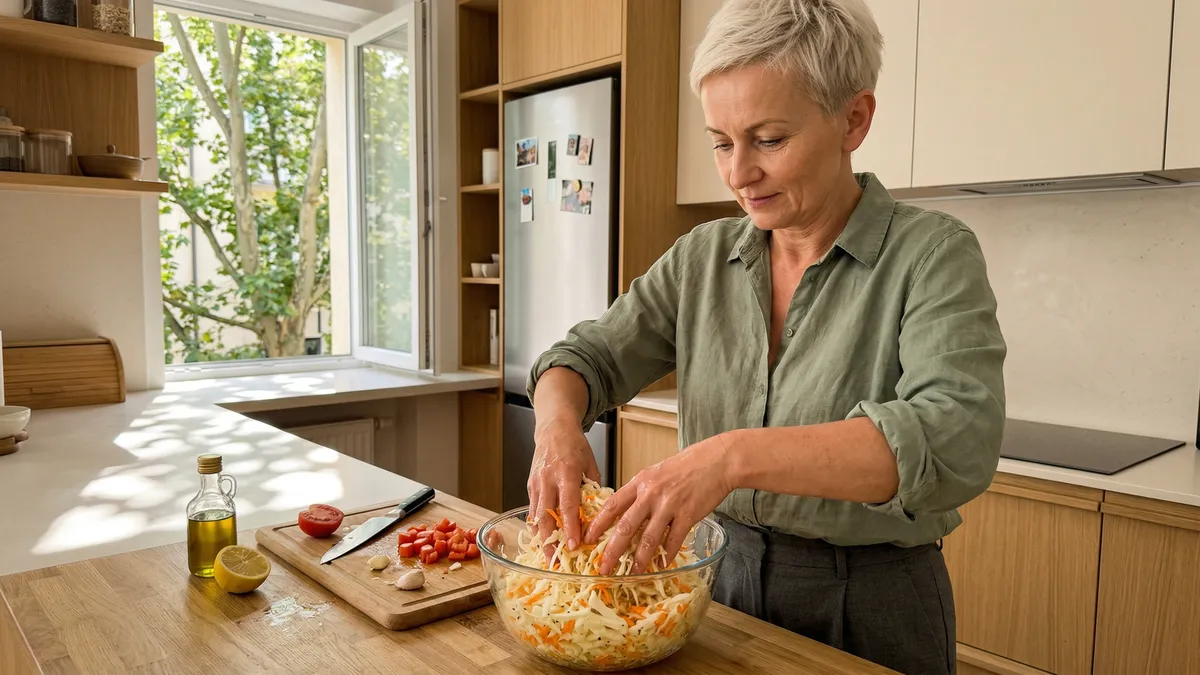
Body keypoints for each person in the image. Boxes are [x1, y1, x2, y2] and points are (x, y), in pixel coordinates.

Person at [524, 0, 1006, 672]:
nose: (737, 172)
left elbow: (956, 437)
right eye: (722, 141)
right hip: (712, 584)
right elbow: (586, 356)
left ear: (854, 119)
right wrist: (555, 428)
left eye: (769, 139)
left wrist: (731, 456)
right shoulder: (703, 257)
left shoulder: (932, 253)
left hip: (869, 600)